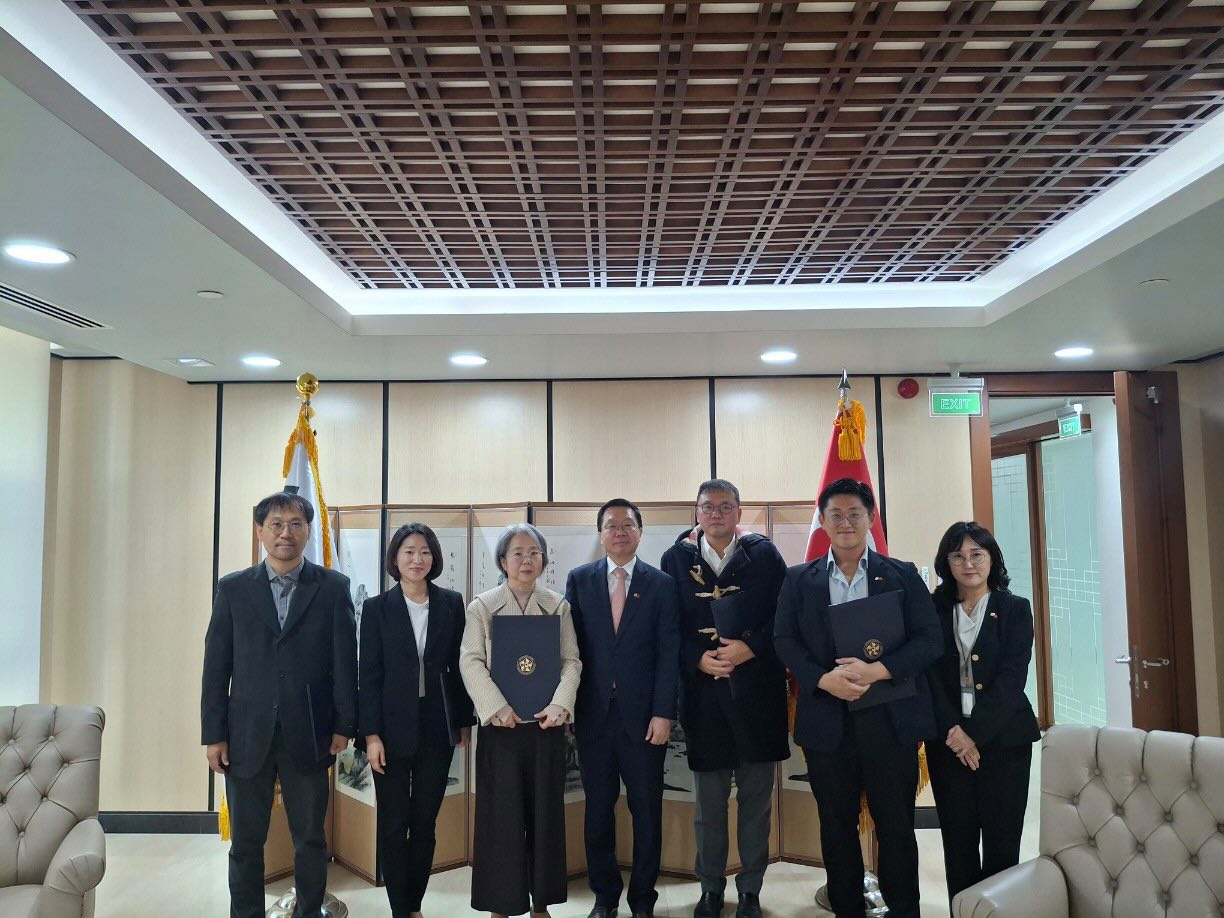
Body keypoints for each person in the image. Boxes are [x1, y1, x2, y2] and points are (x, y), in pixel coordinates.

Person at [773, 478, 941, 918]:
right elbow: (784, 640)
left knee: (897, 827)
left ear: (870, 519)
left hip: (890, 724)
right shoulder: (799, 579)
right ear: (822, 520)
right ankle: (847, 909)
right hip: (828, 726)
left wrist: (879, 670)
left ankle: (904, 910)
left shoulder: (901, 574)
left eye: (854, 514)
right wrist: (822, 679)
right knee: (836, 828)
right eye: (835, 515)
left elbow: (930, 639)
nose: (845, 522)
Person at [201, 491, 357, 918]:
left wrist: (344, 724)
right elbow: (216, 666)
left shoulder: (332, 587)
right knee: (246, 843)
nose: (285, 533)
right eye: (276, 524)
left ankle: (309, 912)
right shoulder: (233, 588)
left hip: (311, 732)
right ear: (260, 532)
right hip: (245, 734)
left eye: (295, 524)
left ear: (308, 532)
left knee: (310, 839)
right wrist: (214, 734)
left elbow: (345, 662)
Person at [660, 479, 789, 918]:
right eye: (708, 507)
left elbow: (785, 615)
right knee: (708, 807)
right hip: (705, 698)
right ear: (696, 512)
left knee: (756, 804)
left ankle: (751, 889)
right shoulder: (676, 558)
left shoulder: (764, 555)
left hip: (758, 695)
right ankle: (711, 888)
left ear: (739, 512)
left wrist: (750, 647)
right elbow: (667, 627)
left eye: (725, 506)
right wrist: (697, 659)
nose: (716, 514)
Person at [459, 523, 582, 918]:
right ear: (502, 560)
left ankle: (541, 901)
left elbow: (571, 661)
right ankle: (501, 902)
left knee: (545, 815)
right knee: (501, 816)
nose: (527, 560)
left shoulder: (558, 605)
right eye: (518, 553)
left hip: (546, 727)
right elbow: (471, 661)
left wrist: (560, 705)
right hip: (501, 728)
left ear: (544, 560)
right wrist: (496, 707)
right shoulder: (482, 606)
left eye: (534, 553)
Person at [566, 499, 681, 918]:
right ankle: (605, 896)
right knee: (598, 810)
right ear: (600, 534)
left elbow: (669, 652)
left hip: (645, 719)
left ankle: (643, 899)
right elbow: (569, 650)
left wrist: (663, 713)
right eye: (611, 526)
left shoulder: (661, 584)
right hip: (593, 717)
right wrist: (567, 707)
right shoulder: (579, 580)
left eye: (627, 525)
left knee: (647, 812)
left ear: (640, 532)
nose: (619, 532)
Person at [359, 522, 475, 918]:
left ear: (434, 557)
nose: (417, 559)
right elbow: (368, 675)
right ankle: (400, 909)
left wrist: (463, 721)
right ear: (395, 557)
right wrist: (371, 735)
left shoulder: (452, 603)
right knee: (394, 824)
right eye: (408, 551)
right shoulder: (377, 608)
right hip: (390, 729)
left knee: (425, 823)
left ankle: (415, 905)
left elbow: (460, 668)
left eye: (424, 551)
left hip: (436, 726)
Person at [926, 521, 1040, 906]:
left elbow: (1012, 678)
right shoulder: (933, 610)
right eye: (958, 555)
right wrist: (953, 731)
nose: (968, 563)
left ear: (992, 558)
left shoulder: (1015, 609)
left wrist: (973, 733)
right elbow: (928, 676)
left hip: (1005, 742)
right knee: (957, 844)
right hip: (947, 744)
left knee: (1002, 844)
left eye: (977, 554)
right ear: (946, 562)